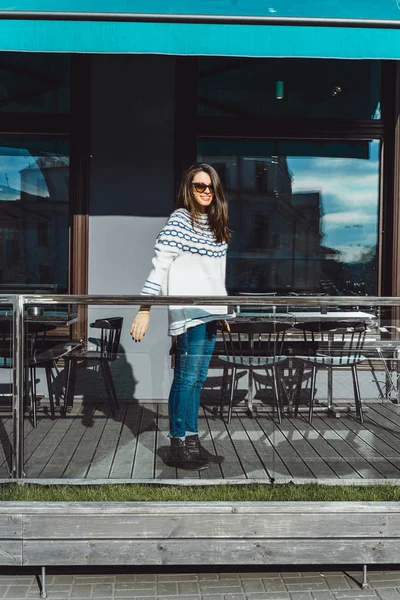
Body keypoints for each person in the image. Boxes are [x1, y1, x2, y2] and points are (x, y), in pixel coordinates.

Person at [130, 163, 231, 470]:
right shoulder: (179, 220)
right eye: (200, 186)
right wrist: (144, 308)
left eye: (210, 187)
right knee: (186, 379)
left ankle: (192, 441)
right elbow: (159, 267)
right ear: (189, 188)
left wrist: (221, 310)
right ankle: (177, 445)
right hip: (188, 312)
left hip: (210, 313)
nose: (206, 192)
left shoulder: (216, 227)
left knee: (198, 380)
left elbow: (215, 276)